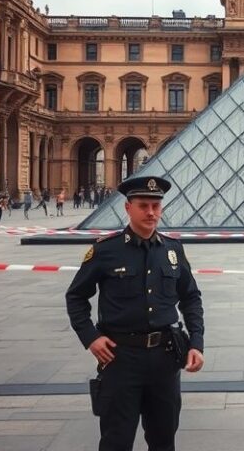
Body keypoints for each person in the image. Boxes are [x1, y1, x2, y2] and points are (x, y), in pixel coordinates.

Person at [66, 175, 204, 451]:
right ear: (127, 208)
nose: (151, 212)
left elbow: (191, 298)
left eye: (156, 205)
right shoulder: (106, 251)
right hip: (120, 359)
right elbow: (76, 296)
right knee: (116, 440)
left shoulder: (173, 250)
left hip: (165, 358)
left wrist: (197, 343)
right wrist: (91, 337)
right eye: (143, 205)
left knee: (164, 439)